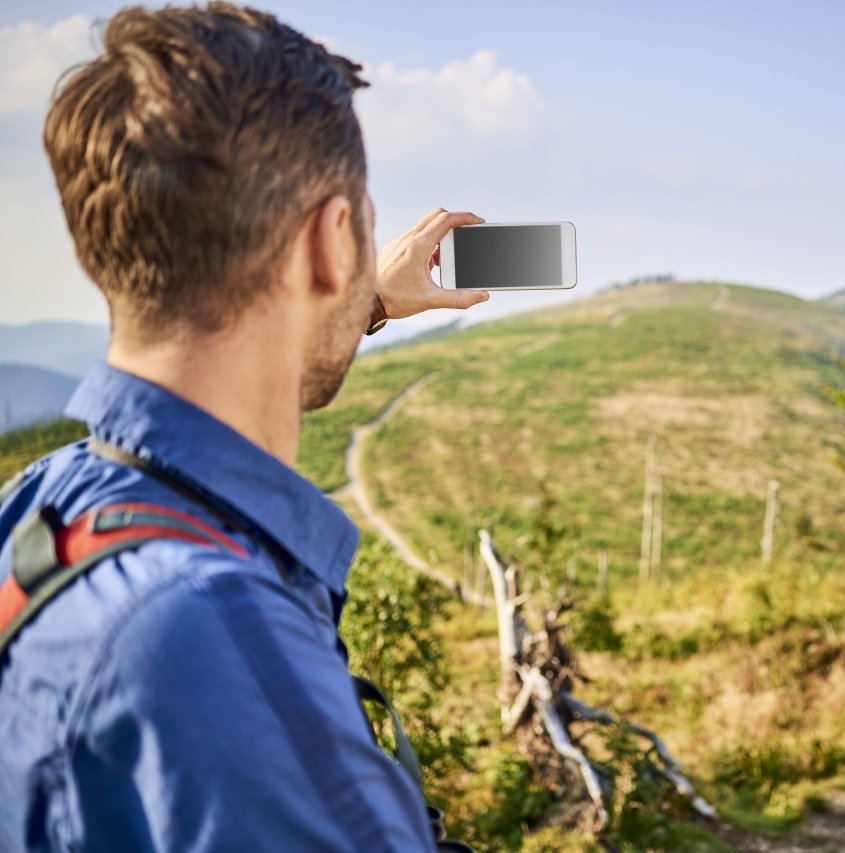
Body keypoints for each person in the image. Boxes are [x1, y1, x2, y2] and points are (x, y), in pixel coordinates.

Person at [0, 3, 488, 849]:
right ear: (334, 240)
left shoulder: (43, 505)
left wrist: (357, 298)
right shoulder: (215, 634)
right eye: (359, 227)